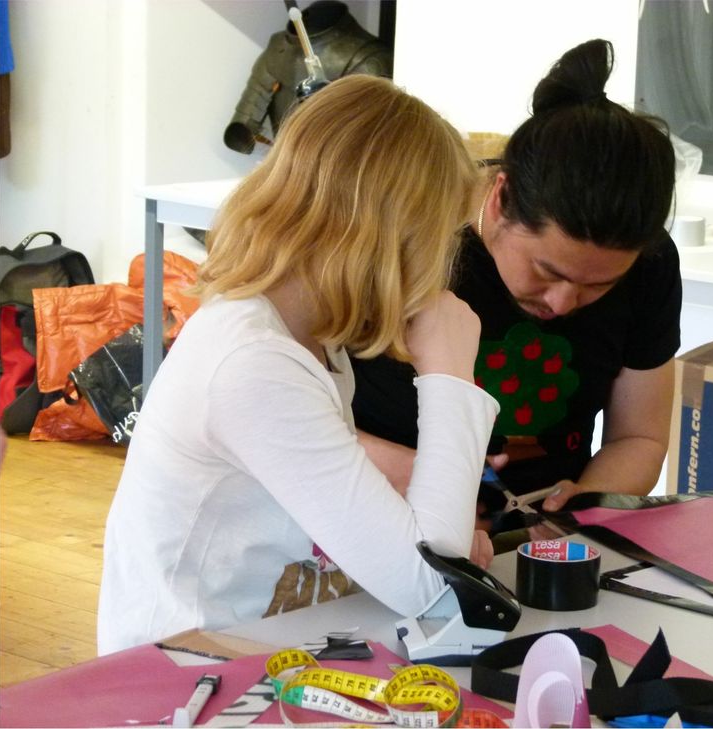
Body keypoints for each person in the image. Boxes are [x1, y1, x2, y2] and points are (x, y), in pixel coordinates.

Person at [97, 75, 499, 654]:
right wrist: (449, 374)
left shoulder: (303, 333)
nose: (443, 264)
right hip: (181, 672)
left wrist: (435, 523)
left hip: (264, 638)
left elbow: (419, 556)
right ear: (392, 238)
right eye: (441, 238)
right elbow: (434, 587)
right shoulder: (254, 363)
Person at [351, 39, 680, 522]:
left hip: (533, 539)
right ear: (501, 199)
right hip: (369, 518)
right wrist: (425, 478)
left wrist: (583, 505)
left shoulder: (649, 265)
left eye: (599, 286)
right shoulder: (408, 230)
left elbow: (640, 438)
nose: (564, 303)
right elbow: (278, 415)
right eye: (548, 272)